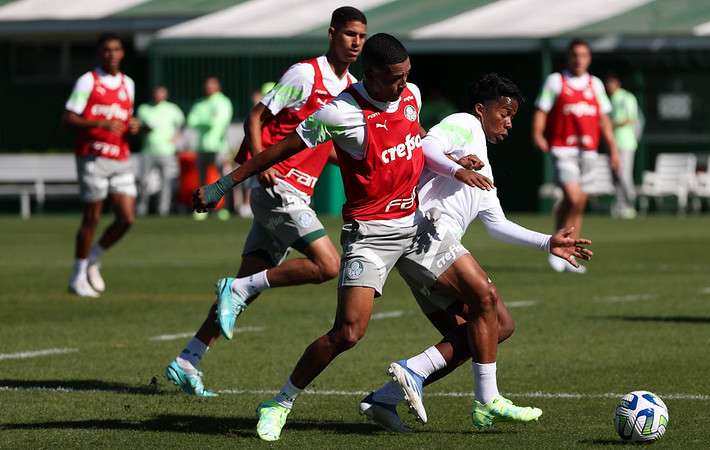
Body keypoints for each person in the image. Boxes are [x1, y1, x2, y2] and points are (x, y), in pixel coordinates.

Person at [194, 33, 535, 442]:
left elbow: (417, 136)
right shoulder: (339, 112)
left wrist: (455, 160)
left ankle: (486, 401)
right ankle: (279, 402)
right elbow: (279, 149)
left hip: (415, 228)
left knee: (487, 302)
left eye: (406, 75)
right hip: (370, 236)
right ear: (370, 74)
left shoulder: (410, 94)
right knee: (347, 334)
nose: (402, 84)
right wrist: (223, 184)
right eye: (394, 78)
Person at [359, 73, 593, 431]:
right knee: (487, 297)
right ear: (482, 110)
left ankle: (386, 397)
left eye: (513, 116)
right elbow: (426, 147)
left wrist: (548, 242)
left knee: (492, 329)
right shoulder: (464, 124)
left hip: (431, 251)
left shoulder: (483, 164)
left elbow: (497, 224)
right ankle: (484, 400)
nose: (509, 123)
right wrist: (457, 168)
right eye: (504, 113)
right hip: (424, 231)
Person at [164, 6, 367, 398]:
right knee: (328, 265)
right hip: (278, 188)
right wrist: (261, 166)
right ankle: (230, 294)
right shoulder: (305, 73)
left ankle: (188, 358)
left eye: (361, 36)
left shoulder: (350, 86)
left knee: (246, 286)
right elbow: (256, 116)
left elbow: (325, 145)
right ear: (332, 34)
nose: (356, 42)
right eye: (349, 34)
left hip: (299, 190)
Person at [532, 39, 620, 273]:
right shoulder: (556, 81)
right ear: (569, 57)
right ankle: (557, 241)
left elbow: (603, 119)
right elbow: (542, 109)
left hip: (589, 151)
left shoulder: (595, 84)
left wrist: (612, 148)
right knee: (572, 196)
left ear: (589, 58)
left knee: (580, 202)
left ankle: (568, 252)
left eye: (583, 55)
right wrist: (538, 133)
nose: (579, 59)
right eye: (575, 55)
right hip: (563, 149)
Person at [64, 32, 139, 298]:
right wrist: (99, 123)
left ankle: (94, 256)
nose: (112, 54)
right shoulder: (88, 81)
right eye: (107, 50)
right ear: (100, 53)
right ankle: (77, 275)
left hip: (120, 156)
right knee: (92, 216)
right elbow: (69, 118)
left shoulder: (127, 84)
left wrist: (135, 125)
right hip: (93, 156)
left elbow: (126, 118)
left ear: (122, 53)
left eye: (116, 49)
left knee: (127, 217)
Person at [187, 76, 234, 220]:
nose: (209, 88)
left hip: (219, 146)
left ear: (218, 86)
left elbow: (220, 122)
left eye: (212, 85)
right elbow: (191, 120)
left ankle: (225, 209)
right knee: (202, 179)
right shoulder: (200, 103)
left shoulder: (223, 101)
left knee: (224, 180)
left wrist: (204, 121)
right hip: (202, 146)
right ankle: (202, 209)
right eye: (207, 85)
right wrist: (207, 120)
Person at [136, 86, 184, 216]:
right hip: (148, 151)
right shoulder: (144, 109)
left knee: (167, 183)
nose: (158, 95)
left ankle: (163, 210)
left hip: (167, 152)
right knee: (144, 182)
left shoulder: (172, 109)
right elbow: (138, 127)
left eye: (161, 93)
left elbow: (182, 125)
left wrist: (175, 138)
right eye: (156, 93)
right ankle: (141, 209)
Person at [605, 72, 641, 219]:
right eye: (607, 83)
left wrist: (610, 124)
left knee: (624, 175)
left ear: (617, 83)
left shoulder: (627, 97)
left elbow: (631, 119)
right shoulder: (610, 99)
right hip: (613, 144)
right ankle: (621, 206)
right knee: (615, 176)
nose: (609, 86)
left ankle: (631, 204)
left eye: (611, 82)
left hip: (626, 143)